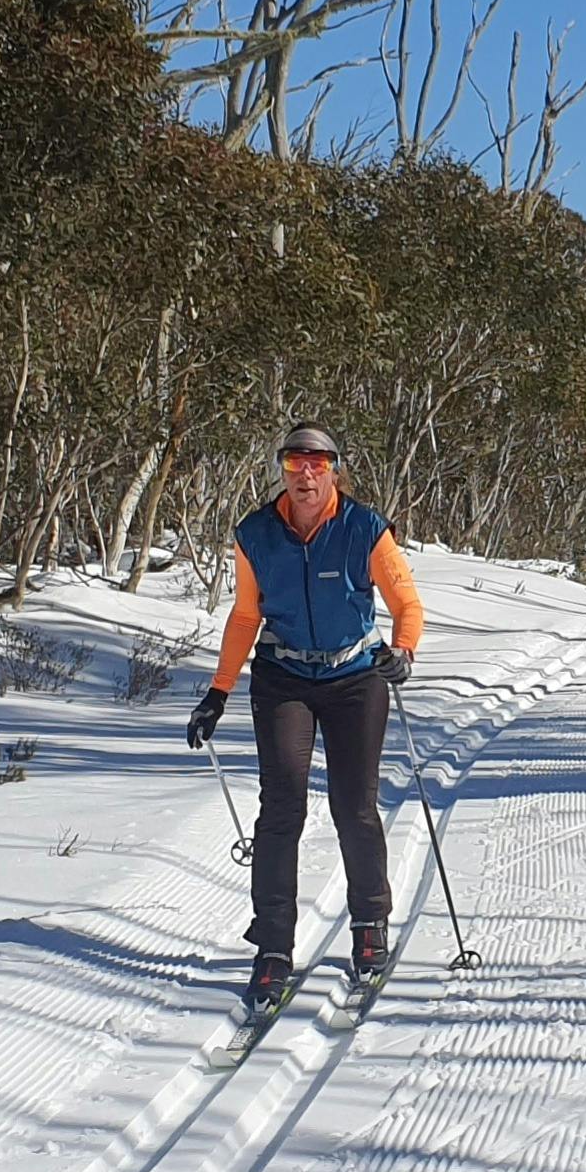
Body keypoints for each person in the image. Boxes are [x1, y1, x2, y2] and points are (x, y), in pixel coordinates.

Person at [185, 423, 424, 1009]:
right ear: (282, 471)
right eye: (295, 464)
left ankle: (369, 926)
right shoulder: (257, 534)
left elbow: (406, 604)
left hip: (355, 677)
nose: (306, 474)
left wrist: (404, 652)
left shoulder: (365, 528)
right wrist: (218, 692)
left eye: (318, 464)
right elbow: (245, 617)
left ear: (334, 470)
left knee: (353, 805)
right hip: (283, 675)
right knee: (282, 808)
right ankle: (272, 948)